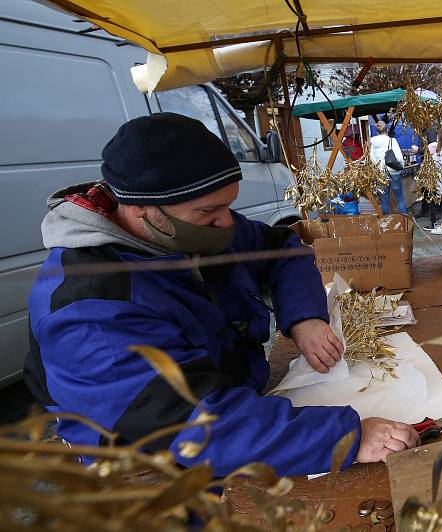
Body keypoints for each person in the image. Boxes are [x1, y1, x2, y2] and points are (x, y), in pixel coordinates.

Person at [24, 113, 420, 477]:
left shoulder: (189, 229)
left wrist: (303, 318)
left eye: (229, 206)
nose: (226, 223)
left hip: (239, 407)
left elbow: (280, 249)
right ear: (144, 209)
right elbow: (194, 426)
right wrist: (343, 438)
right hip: (153, 470)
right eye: (209, 212)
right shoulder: (88, 312)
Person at [370, 120, 407, 215]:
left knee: (384, 200)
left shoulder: (372, 143)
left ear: (377, 131)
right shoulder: (391, 140)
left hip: (380, 173)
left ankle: (386, 221)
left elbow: (372, 159)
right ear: (386, 129)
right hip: (393, 171)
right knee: (400, 198)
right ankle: (404, 221)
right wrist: (401, 166)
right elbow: (399, 157)